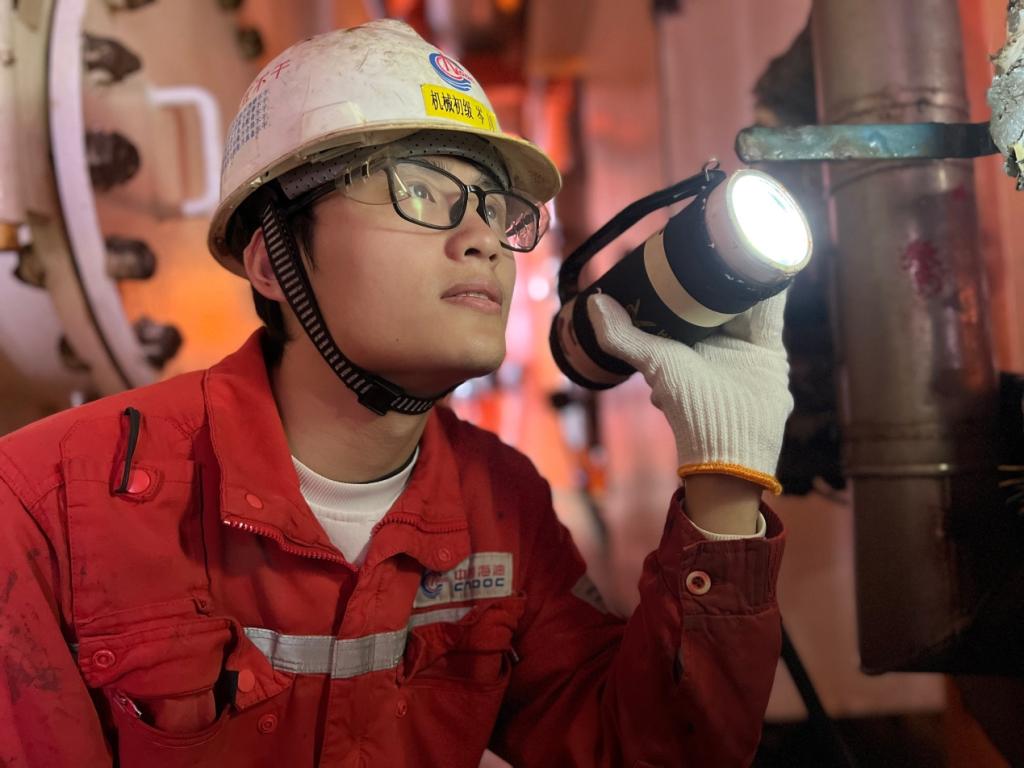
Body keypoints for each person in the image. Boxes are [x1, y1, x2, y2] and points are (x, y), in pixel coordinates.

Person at [0, 19, 791, 768]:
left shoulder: (502, 508)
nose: (484, 241)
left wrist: (725, 483)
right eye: (420, 191)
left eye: (497, 210)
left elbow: (640, 750)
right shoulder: (47, 506)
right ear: (273, 261)